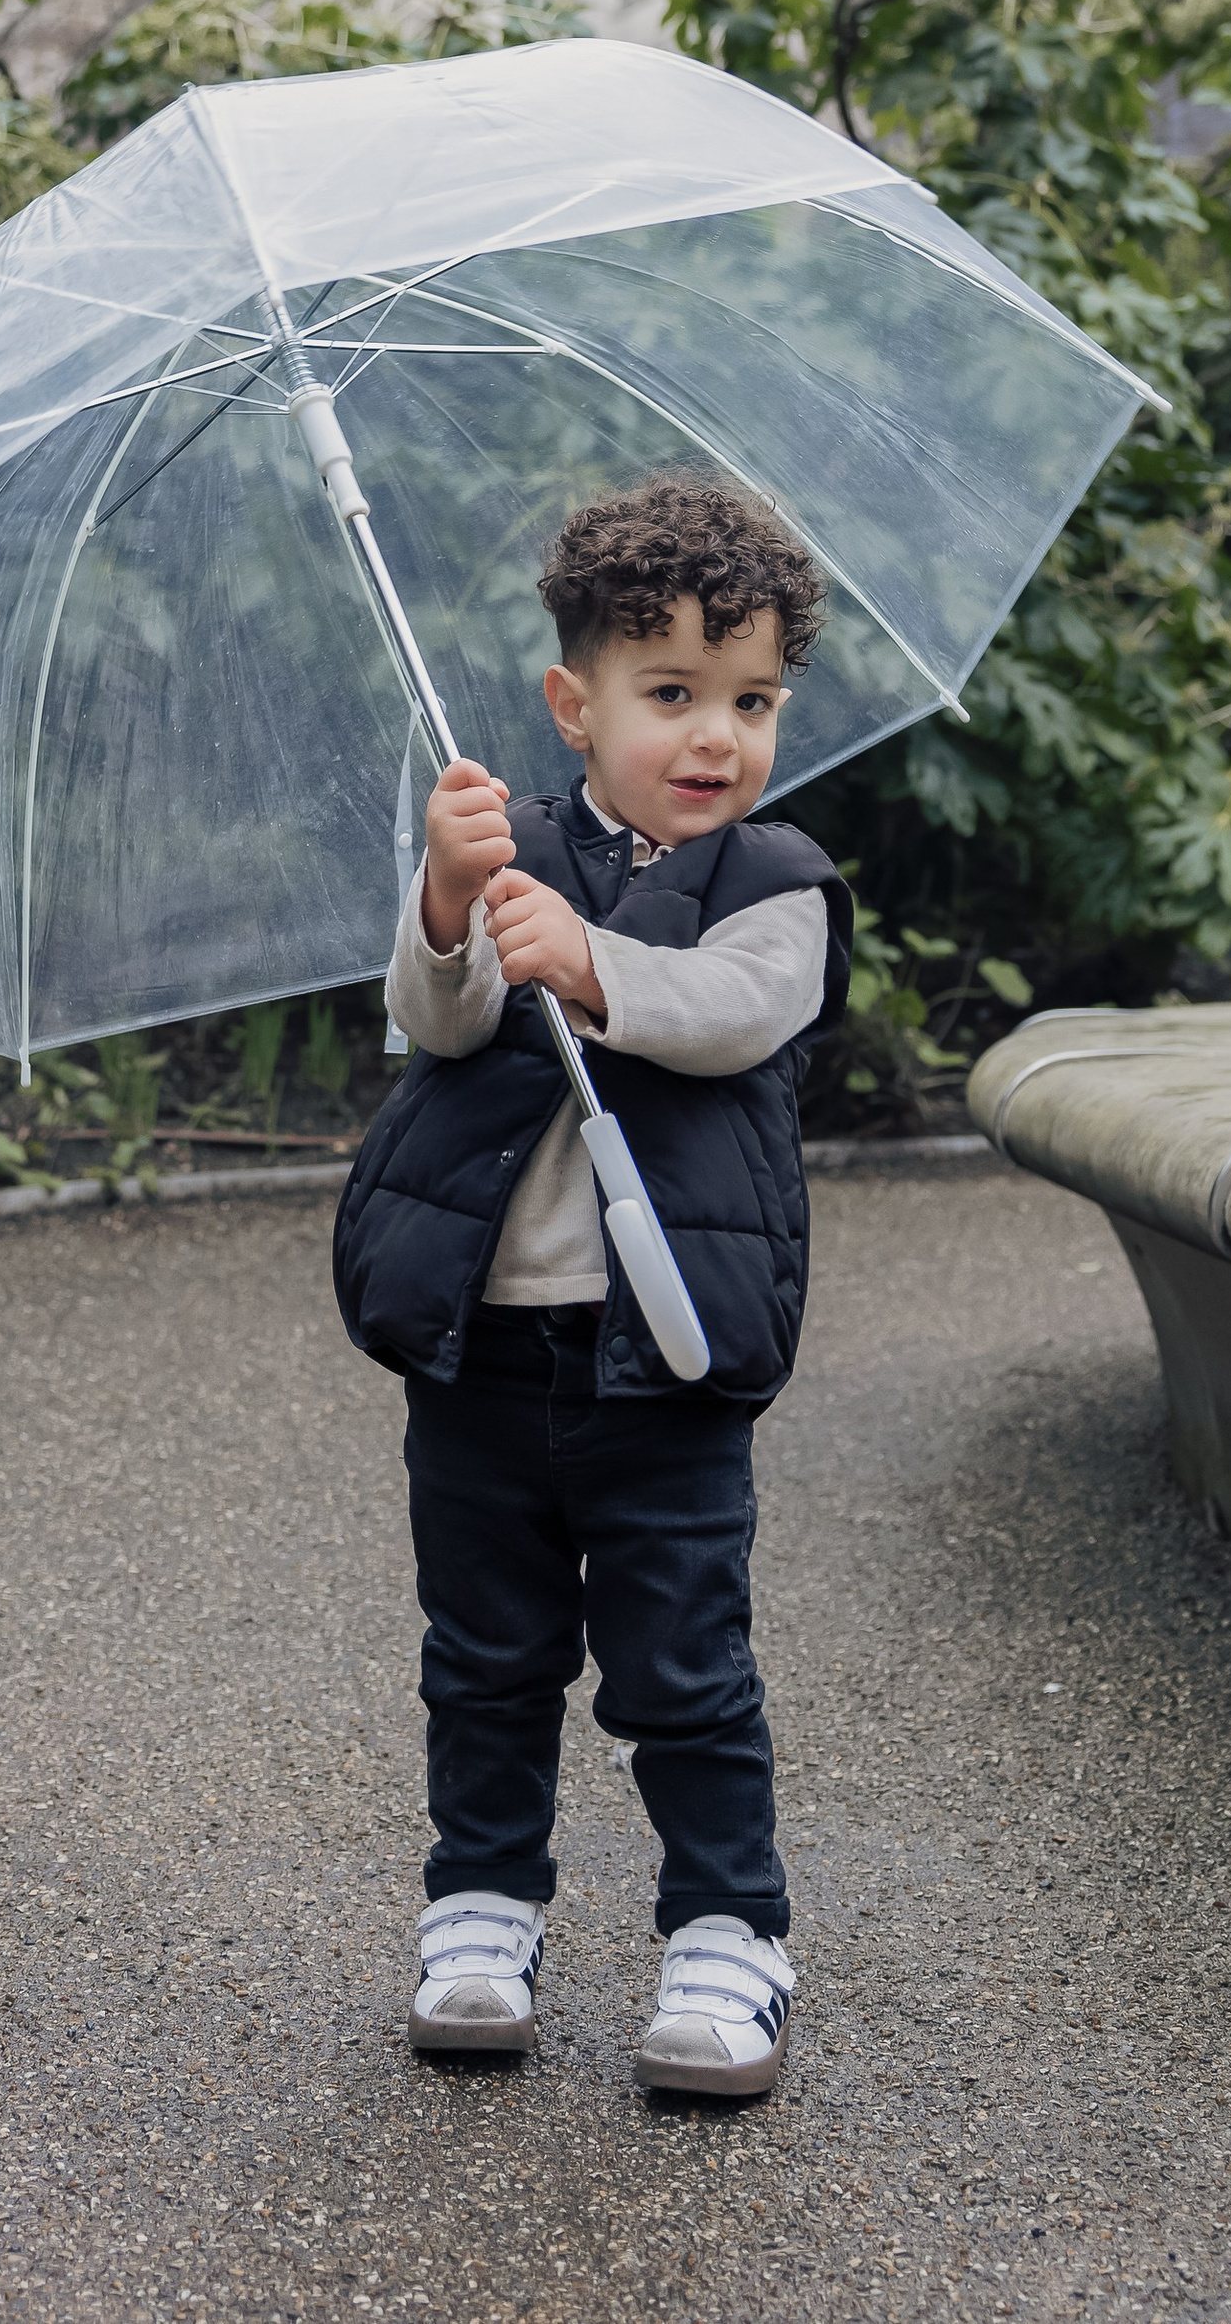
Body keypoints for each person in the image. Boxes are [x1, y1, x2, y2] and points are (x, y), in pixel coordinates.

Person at [331, 469, 852, 2100]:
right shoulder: (514, 845)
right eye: (673, 693)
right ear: (577, 701)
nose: (719, 735)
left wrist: (601, 963)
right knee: (483, 1651)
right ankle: (481, 1907)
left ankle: (727, 1929)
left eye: (752, 697)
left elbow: (727, 1014)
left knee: (680, 1663)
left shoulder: (777, 883)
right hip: (481, 1354)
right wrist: (446, 895)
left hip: (666, 1370)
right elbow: (439, 1012)